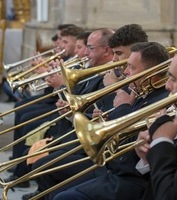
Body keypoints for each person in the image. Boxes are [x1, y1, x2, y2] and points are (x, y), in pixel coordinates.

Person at [52, 41, 170, 200]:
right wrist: (104, 121)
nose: (126, 72)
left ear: (152, 72)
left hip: (132, 178)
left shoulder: (160, 99)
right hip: (113, 168)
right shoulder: (140, 91)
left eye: (132, 68)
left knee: (63, 197)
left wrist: (121, 107)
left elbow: (135, 144)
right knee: (57, 190)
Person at [21, 27, 115, 200]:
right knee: (25, 115)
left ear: (106, 51)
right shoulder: (95, 70)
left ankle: (40, 192)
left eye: (90, 48)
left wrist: (62, 87)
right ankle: (36, 189)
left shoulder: (112, 77)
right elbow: (79, 101)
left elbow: (86, 107)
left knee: (43, 161)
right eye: (84, 47)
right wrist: (62, 92)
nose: (86, 52)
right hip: (76, 130)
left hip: (92, 146)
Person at [135, 44, 177, 200]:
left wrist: (161, 141)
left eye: (173, 79)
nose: (167, 86)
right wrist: (149, 156)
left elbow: (170, 195)